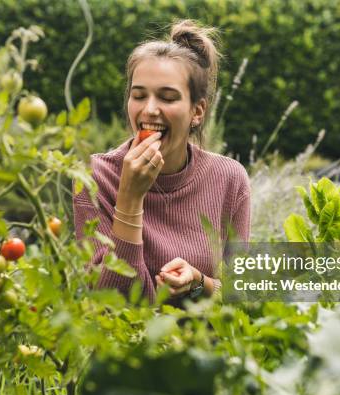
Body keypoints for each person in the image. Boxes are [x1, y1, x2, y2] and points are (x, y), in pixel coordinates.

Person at [73, 20, 250, 304]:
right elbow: (106, 303)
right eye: (139, 95)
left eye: (167, 97)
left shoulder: (229, 178)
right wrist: (130, 198)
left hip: (205, 346)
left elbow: (241, 296)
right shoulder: (96, 177)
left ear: (197, 111)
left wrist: (199, 284)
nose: (150, 110)